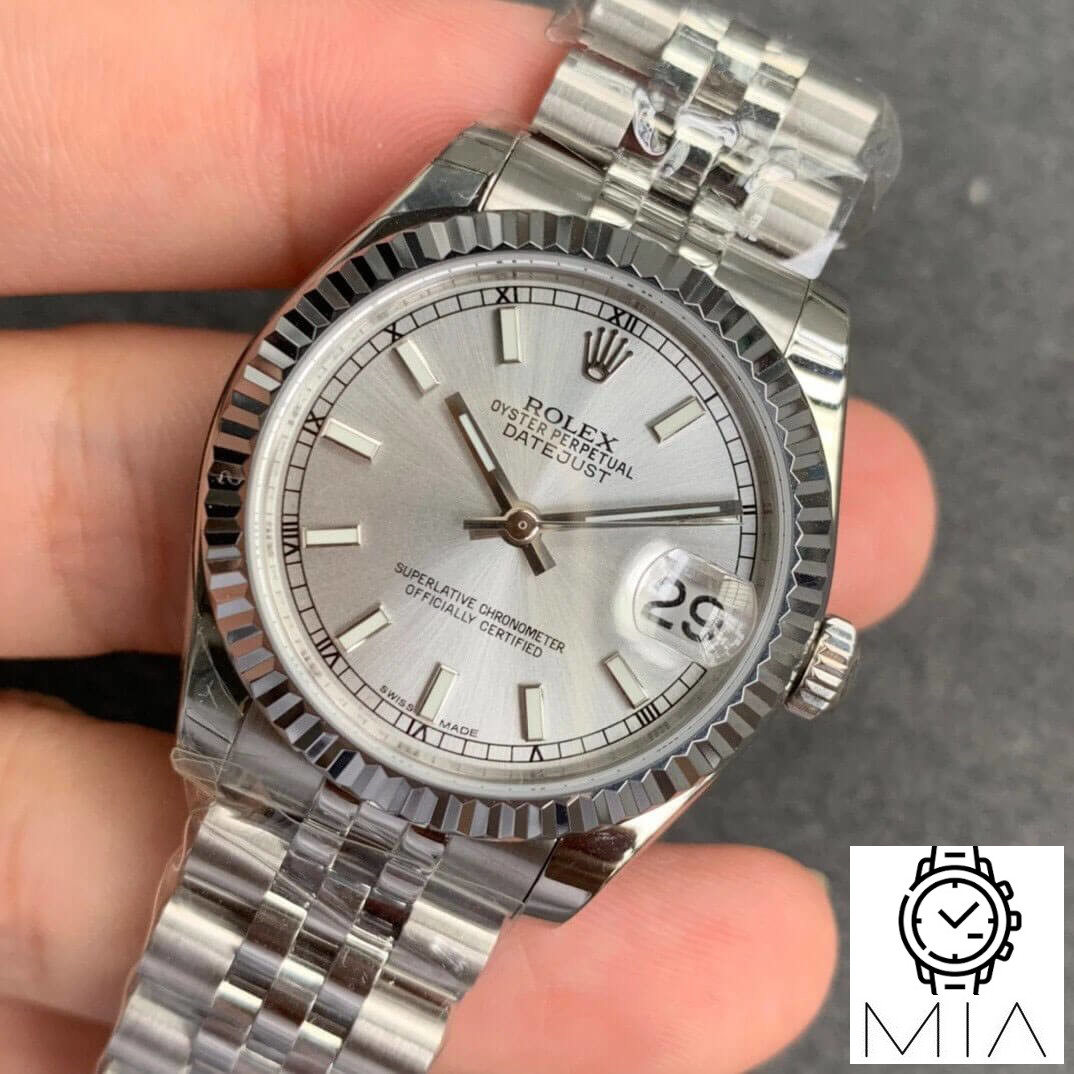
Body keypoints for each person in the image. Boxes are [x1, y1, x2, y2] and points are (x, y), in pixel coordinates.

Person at [0, 2, 935, 1070]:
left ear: (795, 655)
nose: (523, 520)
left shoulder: (767, 373)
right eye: (523, 514)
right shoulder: (489, 192)